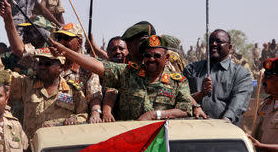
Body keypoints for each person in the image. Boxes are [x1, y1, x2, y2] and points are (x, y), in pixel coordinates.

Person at [51, 34, 192, 121]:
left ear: (166, 58)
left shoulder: (178, 81)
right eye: (147, 56)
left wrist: (155, 115)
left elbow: (184, 109)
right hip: (130, 138)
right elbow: (96, 64)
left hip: (163, 139)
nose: (151, 59)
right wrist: (65, 51)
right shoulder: (128, 73)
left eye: (156, 56)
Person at [183, 29, 253, 124]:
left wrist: (223, 124)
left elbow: (238, 104)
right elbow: (182, 98)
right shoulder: (192, 69)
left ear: (230, 47)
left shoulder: (241, 74)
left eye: (219, 41)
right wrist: (201, 94)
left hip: (225, 131)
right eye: (211, 42)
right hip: (192, 127)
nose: (214, 44)